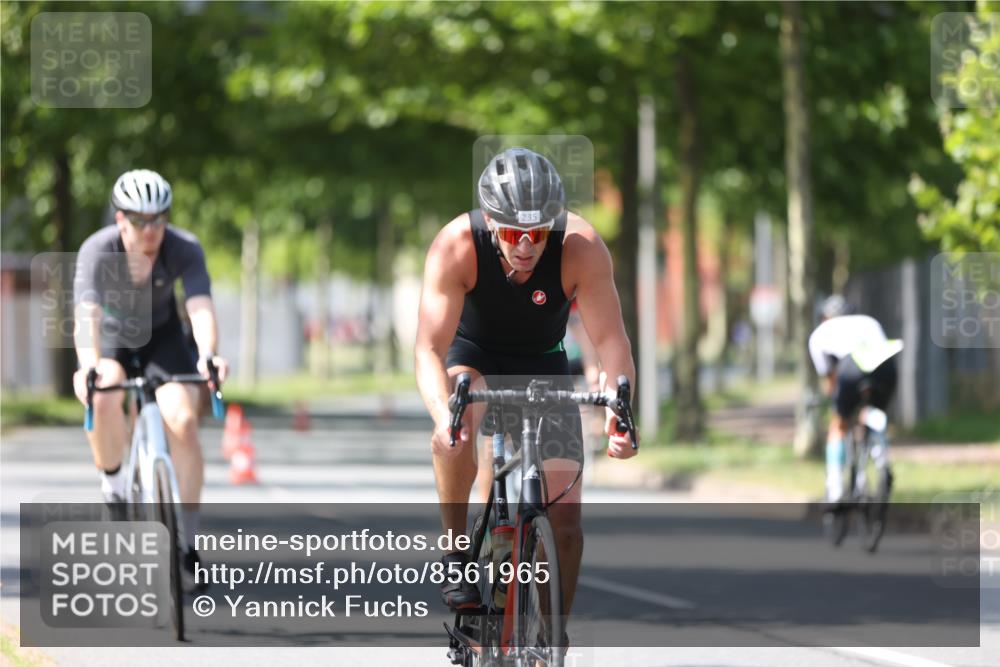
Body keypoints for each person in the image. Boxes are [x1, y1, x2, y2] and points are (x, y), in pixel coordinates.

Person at [414, 147, 637, 621]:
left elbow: (612, 343)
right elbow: (428, 349)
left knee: (567, 521)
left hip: (542, 363)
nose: (525, 245)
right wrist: (443, 419)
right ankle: (455, 555)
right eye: (514, 232)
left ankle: (551, 639)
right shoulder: (457, 245)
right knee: (459, 427)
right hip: (472, 356)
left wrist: (620, 414)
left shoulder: (581, 247)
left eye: (537, 233)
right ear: (492, 223)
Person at [72, 169, 229, 585]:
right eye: (142, 221)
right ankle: (115, 486)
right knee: (103, 390)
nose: (152, 230)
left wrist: (209, 355)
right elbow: (85, 315)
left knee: (183, 419)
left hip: (163, 338)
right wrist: (87, 364)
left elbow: (199, 306)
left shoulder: (183, 247)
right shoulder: (97, 250)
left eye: (160, 219)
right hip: (114, 339)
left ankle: (189, 546)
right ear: (121, 219)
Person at [808, 295, 902, 504]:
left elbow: (831, 380)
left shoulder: (820, 334)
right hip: (885, 366)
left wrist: (837, 403)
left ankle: (835, 489)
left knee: (838, 424)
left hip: (851, 367)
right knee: (872, 412)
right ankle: (881, 457)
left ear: (824, 317)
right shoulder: (869, 322)